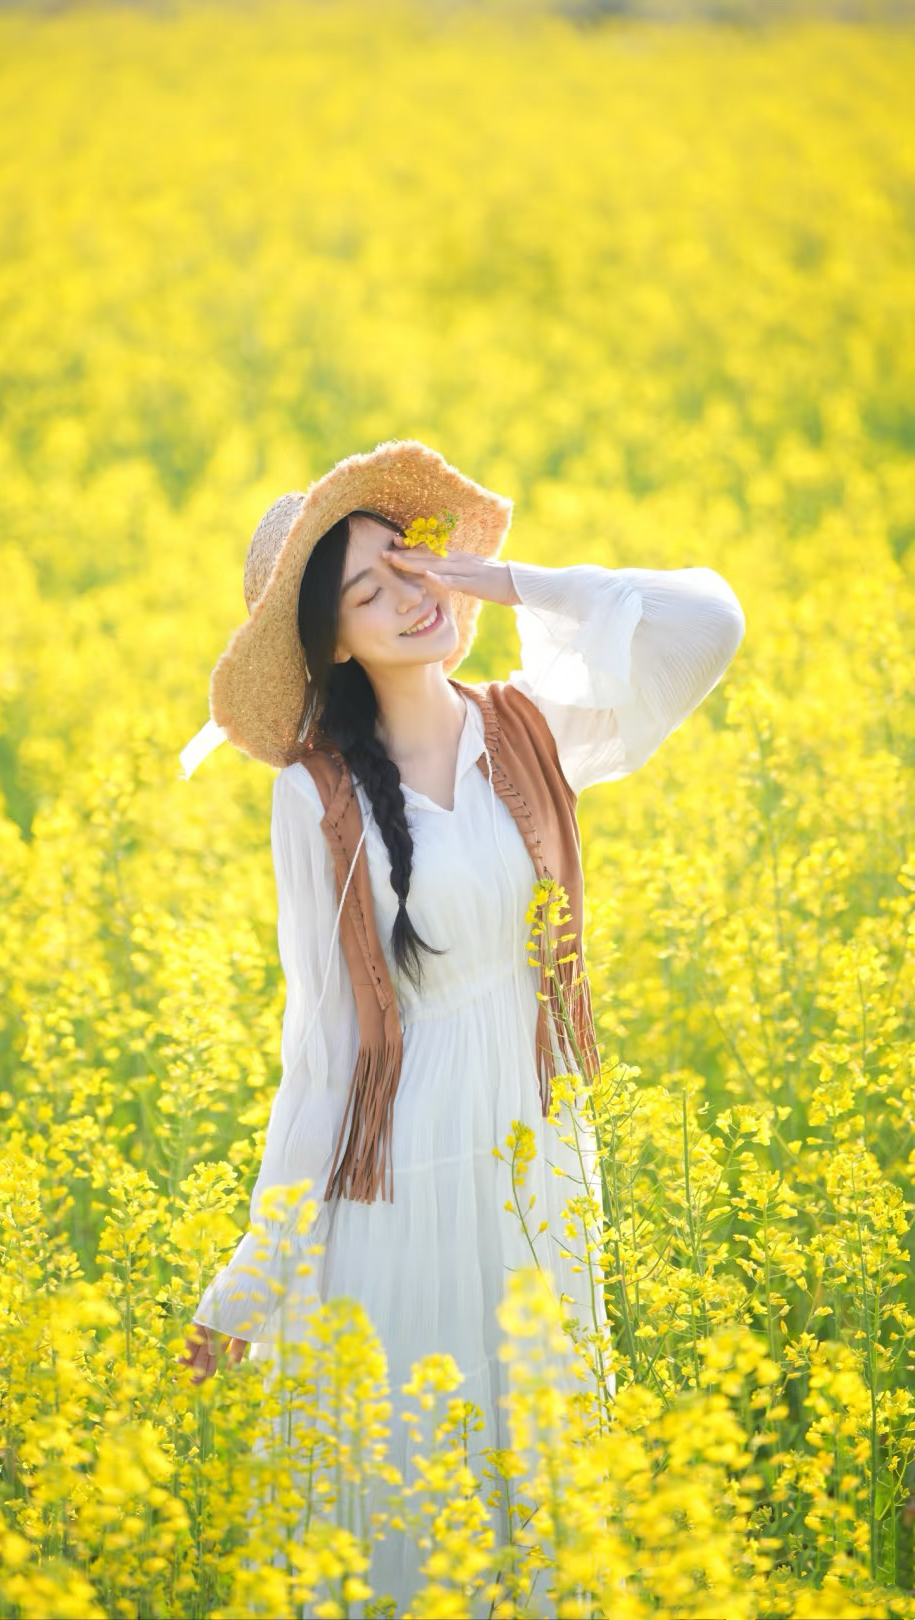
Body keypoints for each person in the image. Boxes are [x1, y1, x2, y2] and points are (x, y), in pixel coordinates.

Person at [176, 438, 746, 1612]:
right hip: (401, 1182)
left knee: (532, 1474)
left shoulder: (533, 725)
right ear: (333, 642)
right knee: (409, 1484)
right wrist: (252, 1280)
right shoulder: (314, 793)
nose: (407, 596)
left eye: (412, 561)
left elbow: (709, 622)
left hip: (536, 1161)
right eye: (367, 591)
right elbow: (322, 1057)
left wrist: (507, 581)